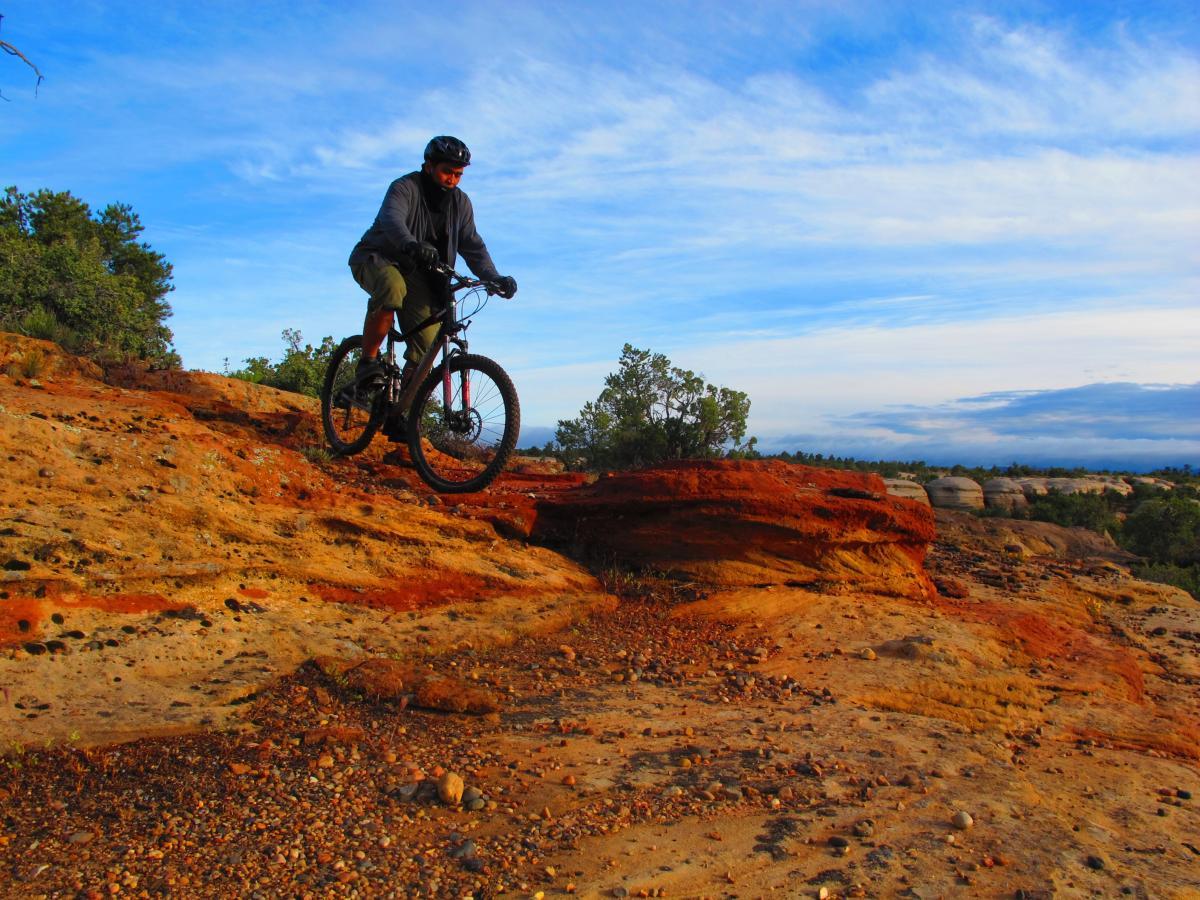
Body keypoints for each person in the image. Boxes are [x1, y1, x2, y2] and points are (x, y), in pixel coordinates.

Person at [348, 135, 516, 386]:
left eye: (458, 174)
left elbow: (472, 245)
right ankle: (368, 362)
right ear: (429, 166)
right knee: (393, 287)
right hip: (377, 257)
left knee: (427, 342)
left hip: (417, 272)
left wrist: (494, 277)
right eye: (446, 172)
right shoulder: (404, 187)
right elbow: (392, 220)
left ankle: (403, 409)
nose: (452, 179)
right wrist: (411, 244)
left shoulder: (460, 203)